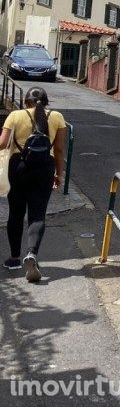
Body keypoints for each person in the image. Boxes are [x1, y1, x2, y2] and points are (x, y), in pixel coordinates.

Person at [2, 86, 67, 282]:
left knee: (15, 212)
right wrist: (59, 174)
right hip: (44, 168)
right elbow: (59, 150)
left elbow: (3, 143)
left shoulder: (15, 115)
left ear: (26, 102)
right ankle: (31, 254)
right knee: (37, 214)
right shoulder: (57, 117)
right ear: (46, 102)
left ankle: (14, 258)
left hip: (18, 167)